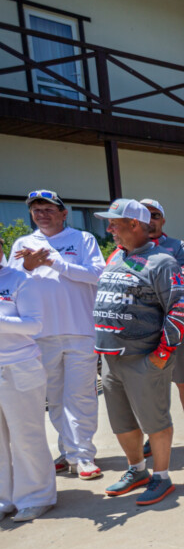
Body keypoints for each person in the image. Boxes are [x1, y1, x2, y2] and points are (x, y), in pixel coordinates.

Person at [93, 199, 184, 505]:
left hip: (144, 357)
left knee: (155, 421)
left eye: (115, 223)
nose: (110, 229)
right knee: (122, 423)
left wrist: (162, 353)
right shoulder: (115, 257)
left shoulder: (162, 262)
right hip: (111, 358)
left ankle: (161, 477)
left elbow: (179, 310)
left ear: (134, 224)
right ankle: (137, 471)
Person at [10, 190, 106, 481]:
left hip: (80, 331)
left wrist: (55, 263)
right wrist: (27, 266)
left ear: (64, 214)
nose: (41, 214)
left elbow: (97, 275)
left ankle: (84, 456)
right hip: (40, 334)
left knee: (80, 396)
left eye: (48, 209)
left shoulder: (83, 239)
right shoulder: (23, 244)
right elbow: (11, 285)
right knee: (55, 398)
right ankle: (68, 452)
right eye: (36, 210)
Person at [139, 198, 184, 455]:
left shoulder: (177, 247)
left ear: (163, 219)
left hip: (175, 324)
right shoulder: (130, 249)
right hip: (144, 329)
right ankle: (154, 433)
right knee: (151, 385)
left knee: (183, 381)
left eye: (154, 215)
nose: (149, 220)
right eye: (143, 216)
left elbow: (183, 278)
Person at [0, 236, 54, 522]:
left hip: (18, 367)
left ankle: (36, 497)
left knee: (26, 437)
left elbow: (34, 325)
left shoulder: (20, 280)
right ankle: (4, 499)